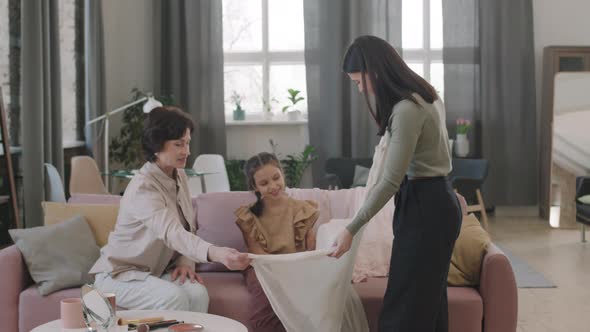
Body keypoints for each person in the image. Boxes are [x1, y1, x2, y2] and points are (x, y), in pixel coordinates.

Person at [329, 35, 462, 332]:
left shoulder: (407, 110)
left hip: (426, 206)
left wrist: (352, 228)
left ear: (374, 70)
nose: (360, 88)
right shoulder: (426, 96)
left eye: (358, 81)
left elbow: (390, 180)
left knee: (404, 308)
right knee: (428, 303)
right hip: (434, 200)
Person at [90, 106, 250, 312]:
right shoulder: (143, 188)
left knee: (197, 293)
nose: (187, 151)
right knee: (173, 298)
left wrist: (185, 260)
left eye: (188, 143)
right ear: (157, 146)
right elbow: (172, 232)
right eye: (179, 144)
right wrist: (218, 253)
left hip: (154, 273)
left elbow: (187, 226)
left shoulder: (178, 174)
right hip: (118, 275)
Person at [235, 152, 319, 332]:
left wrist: (294, 270)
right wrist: (281, 274)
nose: (273, 186)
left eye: (276, 178)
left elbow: (309, 246)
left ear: (282, 174)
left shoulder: (302, 209)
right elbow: (257, 252)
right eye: (264, 183)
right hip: (263, 267)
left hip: (297, 264)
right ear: (255, 187)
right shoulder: (248, 216)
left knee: (306, 291)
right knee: (267, 293)